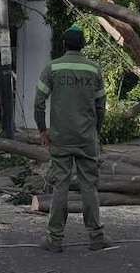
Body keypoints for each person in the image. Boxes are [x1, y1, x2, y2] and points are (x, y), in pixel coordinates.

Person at [34, 25, 111, 253]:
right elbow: (101, 105)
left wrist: (43, 130)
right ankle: (96, 236)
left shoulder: (53, 67)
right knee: (89, 186)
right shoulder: (94, 69)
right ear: (84, 45)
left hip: (61, 138)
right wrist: (96, 131)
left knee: (61, 186)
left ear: (64, 44)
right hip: (86, 138)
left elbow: (38, 103)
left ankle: (55, 239)